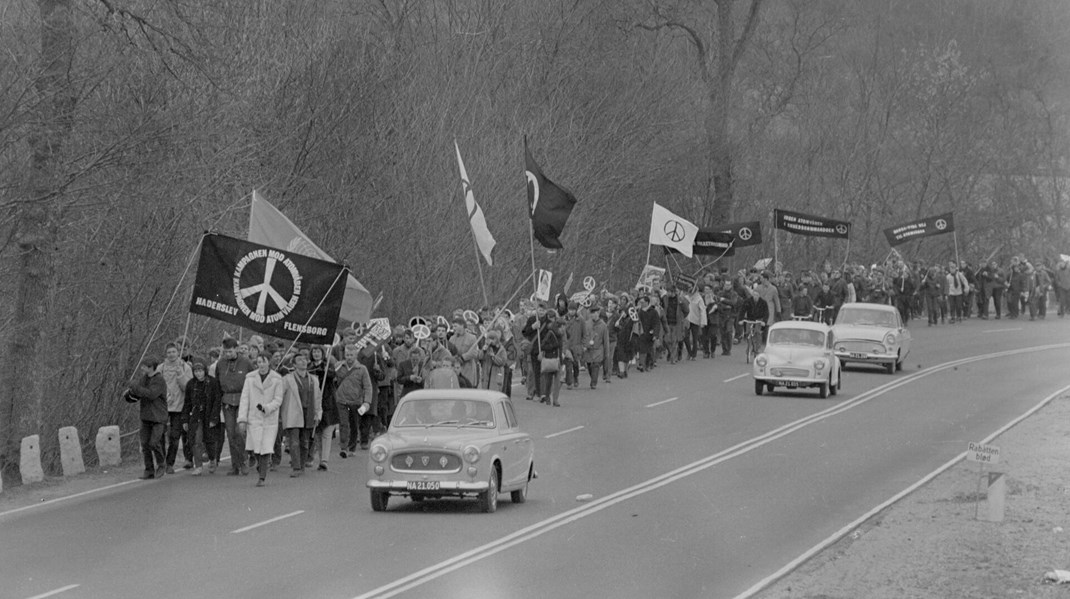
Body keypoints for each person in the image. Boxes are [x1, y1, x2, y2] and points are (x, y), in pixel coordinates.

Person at [238, 355, 284, 487]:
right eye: (259, 362)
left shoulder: (277, 378)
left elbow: (278, 399)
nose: (261, 365)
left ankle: (262, 477)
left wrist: (267, 408)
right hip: (254, 418)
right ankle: (260, 465)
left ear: (268, 362)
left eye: (264, 362)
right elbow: (245, 398)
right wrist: (242, 418)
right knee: (255, 447)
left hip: (269, 419)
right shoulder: (250, 378)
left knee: (266, 447)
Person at [215, 338, 253, 476]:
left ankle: (244, 461)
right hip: (227, 401)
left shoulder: (246, 363)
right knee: (230, 434)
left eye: (230, 351)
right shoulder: (220, 364)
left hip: (242, 400)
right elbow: (218, 385)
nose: (227, 354)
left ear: (236, 349)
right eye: (225, 352)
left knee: (240, 432)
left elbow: (253, 381)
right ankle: (235, 465)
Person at [125, 358, 168, 480]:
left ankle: (161, 464)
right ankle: (149, 470)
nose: (142, 369)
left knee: (154, 443)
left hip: (158, 417)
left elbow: (151, 394)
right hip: (145, 416)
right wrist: (131, 392)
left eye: (144, 366)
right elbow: (139, 393)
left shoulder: (159, 380)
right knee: (145, 445)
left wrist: (135, 387)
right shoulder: (144, 379)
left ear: (151, 367)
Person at [280, 353, 322, 477]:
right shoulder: (287, 379)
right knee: (294, 441)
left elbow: (318, 398)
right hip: (293, 412)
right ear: (294, 364)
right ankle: (296, 467)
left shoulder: (313, 379)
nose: (303, 362)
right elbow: (280, 395)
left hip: (308, 413)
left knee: (305, 441)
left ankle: (302, 465)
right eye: (299, 360)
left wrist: (318, 413)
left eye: (304, 359)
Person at [156, 343, 193, 473]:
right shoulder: (160, 368)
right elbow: (156, 386)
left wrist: (181, 375)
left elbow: (188, 388)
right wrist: (164, 395)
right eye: (169, 352)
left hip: (179, 407)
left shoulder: (185, 367)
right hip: (163, 406)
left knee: (175, 436)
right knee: (160, 434)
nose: (171, 355)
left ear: (178, 353)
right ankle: (161, 462)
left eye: (173, 352)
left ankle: (170, 463)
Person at [183, 359, 221, 475]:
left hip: (209, 415)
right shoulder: (191, 384)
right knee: (196, 440)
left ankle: (213, 459)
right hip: (195, 416)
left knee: (209, 441)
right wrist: (185, 419)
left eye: (200, 371)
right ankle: (198, 465)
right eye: (196, 371)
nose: (198, 373)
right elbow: (187, 403)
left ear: (205, 370)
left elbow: (217, 400)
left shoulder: (213, 382)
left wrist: (214, 418)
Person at [335, 345, 373, 457]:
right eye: (347, 355)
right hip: (341, 400)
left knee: (354, 425)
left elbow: (367, 386)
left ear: (356, 355)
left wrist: (367, 402)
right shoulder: (339, 366)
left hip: (355, 401)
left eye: (351, 355)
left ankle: (352, 448)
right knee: (343, 424)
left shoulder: (362, 369)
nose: (349, 357)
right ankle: (343, 447)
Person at [309, 346, 338, 471]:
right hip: (314, 402)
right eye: (314, 351)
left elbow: (333, 375)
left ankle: (324, 460)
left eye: (318, 351)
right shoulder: (309, 367)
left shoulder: (328, 366)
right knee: (317, 433)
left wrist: (325, 370)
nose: (316, 354)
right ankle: (320, 458)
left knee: (327, 432)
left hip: (328, 403)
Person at [583, 306, 610, 389]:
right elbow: (584, 336)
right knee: (589, 365)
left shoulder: (603, 325)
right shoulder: (587, 324)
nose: (593, 315)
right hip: (588, 349)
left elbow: (606, 340)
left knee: (596, 365)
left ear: (598, 313)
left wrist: (606, 353)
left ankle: (593, 382)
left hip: (598, 349)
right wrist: (584, 345)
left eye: (594, 313)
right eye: (591, 313)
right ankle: (593, 378)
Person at [635, 295, 660, 372]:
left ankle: (649, 364)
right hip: (642, 334)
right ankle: (642, 365)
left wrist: (655, 334)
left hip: (650, 334)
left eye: (642, 302)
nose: (641, 304)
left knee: (649, 350)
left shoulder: (653, 312)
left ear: (647, 302)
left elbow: (656, 324)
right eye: (640, 302)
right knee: (642, 349)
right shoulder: (640, 312)